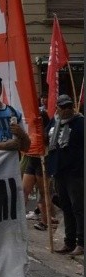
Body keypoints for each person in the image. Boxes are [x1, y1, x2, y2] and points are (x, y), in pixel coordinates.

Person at [45, 95, 84, 256]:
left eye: (69, 106)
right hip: (59, 171)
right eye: (63, 107)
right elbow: (47, 138)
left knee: (78, 208)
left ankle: (82, 242)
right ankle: (69, 241)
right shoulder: (54, 122)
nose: (67, 110)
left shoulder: (80, 122)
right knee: (66, 207)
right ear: (58, 109)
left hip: (75, 172)